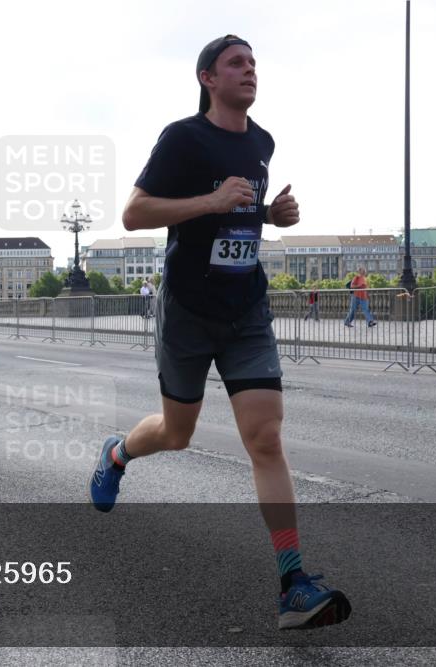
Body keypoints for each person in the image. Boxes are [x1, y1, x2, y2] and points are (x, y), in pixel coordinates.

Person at [88, 35, 350, 631]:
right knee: (176, 433)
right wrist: (210, 201)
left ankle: (293, 586)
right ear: (208, 77)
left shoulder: (262, 142)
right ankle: (117, 452)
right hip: (188, 308)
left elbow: (241, 212)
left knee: (265, 438)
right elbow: (134, 213)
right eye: (236, 63)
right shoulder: (183, 138)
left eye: (253, 62)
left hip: (246, 309)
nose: (249, 70)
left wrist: (268, 215)